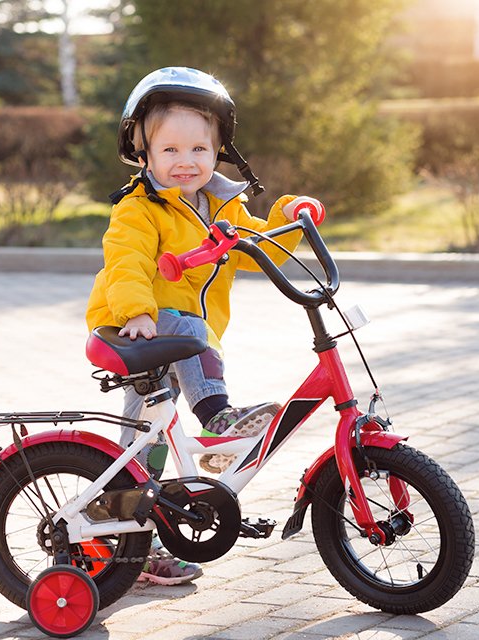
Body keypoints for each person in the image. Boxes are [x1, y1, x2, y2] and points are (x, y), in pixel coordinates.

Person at [85, 66, 320, 585]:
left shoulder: (220, 205)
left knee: (145, 442)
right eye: (169, 151)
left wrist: (289, 213)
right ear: (143, 154)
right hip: (138, 328)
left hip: (177, 340)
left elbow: (259, 247)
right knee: (185, 346)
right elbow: (124, 262)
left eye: (199, 149)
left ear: (219, 152)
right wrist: (138, 312)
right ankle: (217, 416)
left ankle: (130, 543)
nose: (185, 162)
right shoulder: (139, 209)